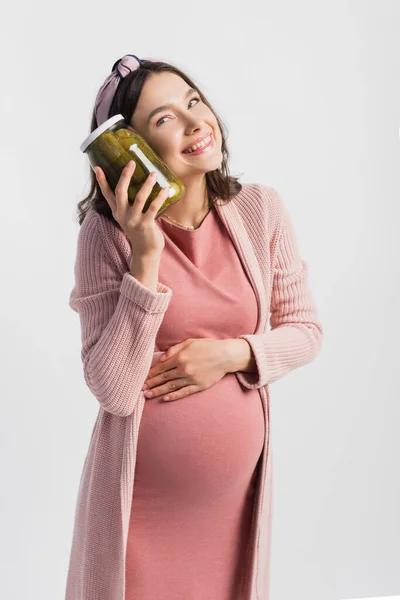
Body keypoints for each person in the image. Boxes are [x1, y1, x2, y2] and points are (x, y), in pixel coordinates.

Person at [65, 54, 324, 600]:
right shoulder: (105, 236)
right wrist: (146, 259)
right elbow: (112, 389)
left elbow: (305, 331)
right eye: (164, 120)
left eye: (193, 102)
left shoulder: (261, 211)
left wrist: (231, 354)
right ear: (128, 150)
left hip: (230, 511)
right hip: (140, 513)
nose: (194, 122)